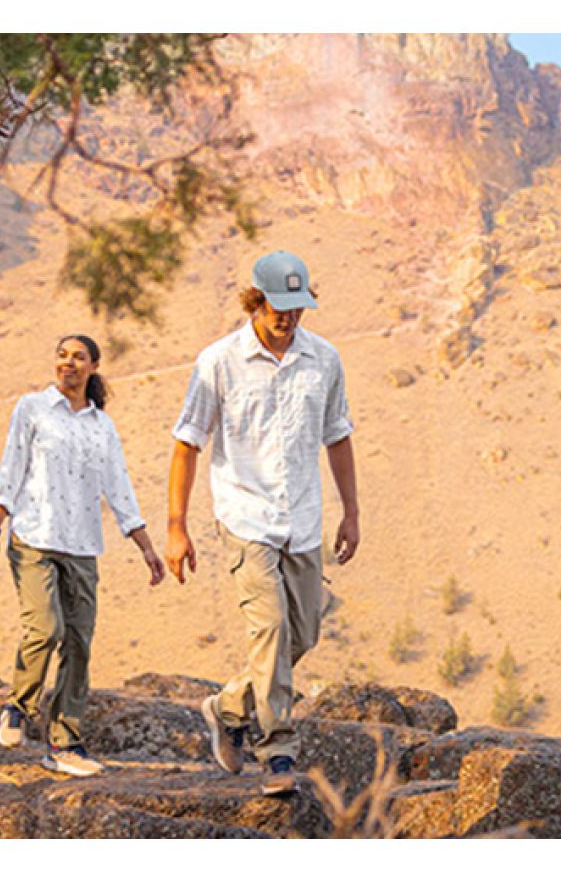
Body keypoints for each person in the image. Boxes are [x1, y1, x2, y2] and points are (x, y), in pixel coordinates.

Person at [166, 250, 359, 796]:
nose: (289, 317)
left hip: (301, 517)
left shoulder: (324, 359)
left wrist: (352, 511)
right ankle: (277, 752)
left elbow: (337, 435)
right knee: (271, 627)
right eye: (279, 305)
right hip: (245, 516)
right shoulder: (219, 361)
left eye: (298, 307)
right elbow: (187, 444)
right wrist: (176, 526)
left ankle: (228, 706)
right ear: (256, 299)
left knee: (303, 632)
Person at [0, 334, 166, 777]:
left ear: (93, 366)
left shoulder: (102, 427)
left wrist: (146, 546)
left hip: (81, 545)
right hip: (34, 536)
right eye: (61, 355)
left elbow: (119, 487)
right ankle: (18, 707)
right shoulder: (32, 408)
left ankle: (65, 743)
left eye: (78, 357)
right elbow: (12, 467)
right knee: (46, 627)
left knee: (79, 642)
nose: (68, 363)